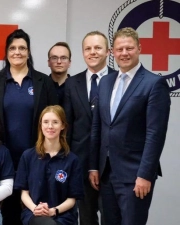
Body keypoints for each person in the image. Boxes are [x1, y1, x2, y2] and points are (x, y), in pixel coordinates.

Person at [89, 27, 171, 225]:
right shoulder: (106, 82)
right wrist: (93, 167)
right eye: (119, 49)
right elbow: (98, 128)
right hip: (106, 174)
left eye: (129, 48)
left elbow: (155, 134)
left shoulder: (154, 83)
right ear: (112, 53)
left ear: (139, 48)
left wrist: (144, 175)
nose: (124, 53)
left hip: (135, 176)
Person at [0, 29, 58, 225]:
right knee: (6, 210)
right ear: (6, 52)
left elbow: (55, 117)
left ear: (29, 52)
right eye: (13, 48)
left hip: (37, 157)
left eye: (22, 48)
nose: (18, 52)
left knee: (33, 209)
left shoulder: (43, 82)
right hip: (2, 156)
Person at [63, 31, 115, 225]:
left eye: (98, 48)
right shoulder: (71, 83)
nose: (92, 52)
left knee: (112, 217)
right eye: (88, 48)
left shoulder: (119, 79)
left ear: (108, 51)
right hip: (81, 162)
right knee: (86, 218)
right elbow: (67, 126)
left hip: (112, 164)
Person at [14, 105, 84, 225]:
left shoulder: (72, 160)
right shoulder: (28, 156)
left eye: (55, 122)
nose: (50, 126)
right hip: (34, 213)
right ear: (41, 125)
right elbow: (24, 193)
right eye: (46, 122)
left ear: (63, 126)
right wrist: (35, 209)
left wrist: (53, 211)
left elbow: (72, 199)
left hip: (63, 216)